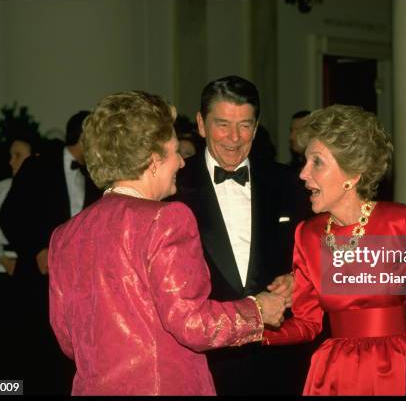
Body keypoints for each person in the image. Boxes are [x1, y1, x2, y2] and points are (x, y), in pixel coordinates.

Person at [48, 90, 286, 395]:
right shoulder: (166, 219)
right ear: (153, 160)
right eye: (176, 151)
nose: (182, 163)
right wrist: (257, 311)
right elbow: (193, 324)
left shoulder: (65, 235)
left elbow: (67, 339)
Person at [262, 104, 406, 395]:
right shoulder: (309, 233)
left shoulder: (401, 222)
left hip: (398, 369)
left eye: (317, 163)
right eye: (305, 162)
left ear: (352, 174)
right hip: (334, 373)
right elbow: (307, 323)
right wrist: (248, 330)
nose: (302, 174)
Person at [171, 75, 313, 395]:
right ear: (201, 124)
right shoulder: (172, 186)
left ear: (256, 125)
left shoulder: (289, 182)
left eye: (245, 125)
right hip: (204, 368)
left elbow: (320, 252)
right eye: (222, 124)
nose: (234, 138)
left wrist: (299, 277)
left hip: (280, 365)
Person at [0, 110, 102, 394]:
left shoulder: (99, 175)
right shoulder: (38, 165)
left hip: (79, 291)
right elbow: (9, 216)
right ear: (84, 136)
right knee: (30, 366)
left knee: (68, 366)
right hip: (37, 285)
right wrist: (37, 249)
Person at [0, 135, 37, 378]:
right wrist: (4, 261)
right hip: (5, 270)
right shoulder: (2, 187)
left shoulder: (42, 188)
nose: (12, 161)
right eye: (11, 155)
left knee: (26, 345)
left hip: (32, 275)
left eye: (18, 155)